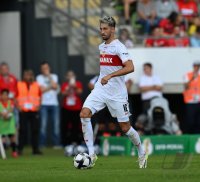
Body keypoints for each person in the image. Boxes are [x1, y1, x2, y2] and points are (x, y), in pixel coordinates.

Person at [80, 16, 148, 169]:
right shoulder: (101, 47)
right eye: (101, 28)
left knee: (125, 128)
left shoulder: (119, 47)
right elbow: (105, 69)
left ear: (113, 29)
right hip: (101, 89)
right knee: (84, 114)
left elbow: (130, 67)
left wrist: (110, 76)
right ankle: (91, 155)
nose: (102, 32)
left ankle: (141, 152)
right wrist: (101, 79)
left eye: (105, 29)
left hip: (117, 94)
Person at [17, 70, 42, 155]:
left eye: (30, 75)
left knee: (35, 130)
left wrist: (39, 106)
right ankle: (19, 149)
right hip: (23, 110)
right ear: (23, 76)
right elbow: (16, 96)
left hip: (34, 110)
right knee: (22, 130)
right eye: (26, 75)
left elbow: (40, 96)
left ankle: (35, 150)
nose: (28, 76)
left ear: (32, 76)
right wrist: (18, 106)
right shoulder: (19, 84)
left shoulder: (36, 84)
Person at [36, 62, 60, 148]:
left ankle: (56, 144)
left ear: (49, 68)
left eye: (46, 68)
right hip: (43, 104)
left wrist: (49, 77)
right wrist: (51, 86)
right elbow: (41, 90)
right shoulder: (38, 77)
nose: (45, 70)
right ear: (41, 69)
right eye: (43, 68)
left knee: (56, 125)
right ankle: (42, 144)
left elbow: (56, 87)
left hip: (54, 104)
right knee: (43, 125)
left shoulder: (54, 76)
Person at [61, 71, 83, 146]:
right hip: (66, 108)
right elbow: (63, 93)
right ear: (66, 77)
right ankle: (65, 142)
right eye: (68, 75)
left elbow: (80, 92)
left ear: (74, 76)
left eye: (71, 75)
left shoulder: (78, 84)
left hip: (76, 108)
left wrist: (74, 86)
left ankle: (75, 141)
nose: (70, 77)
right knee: (65, 125)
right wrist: (69, 87)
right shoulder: (65, 84)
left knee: (75, 126)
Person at [183, 61, 200, 133]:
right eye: (195, 66)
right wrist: (192, 79)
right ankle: (189, 135)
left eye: (198, 66)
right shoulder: (188, 75)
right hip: (190, 101)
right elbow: (185, 86)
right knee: (190, 121)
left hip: (198, 101)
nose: (196, 68)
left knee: (198, 121)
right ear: (193, 67)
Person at [0, 89, 18, 158]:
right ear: (1, 95)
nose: (5, 96)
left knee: (12, 137)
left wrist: (6, 113)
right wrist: (2, 114)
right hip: (2, 123)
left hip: (10, 122)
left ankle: (14, 151)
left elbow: (12, 109)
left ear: (8, 95)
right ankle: (3, 152)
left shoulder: (11, 102)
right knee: (2, 139)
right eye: (3, 95)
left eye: (6, 95)